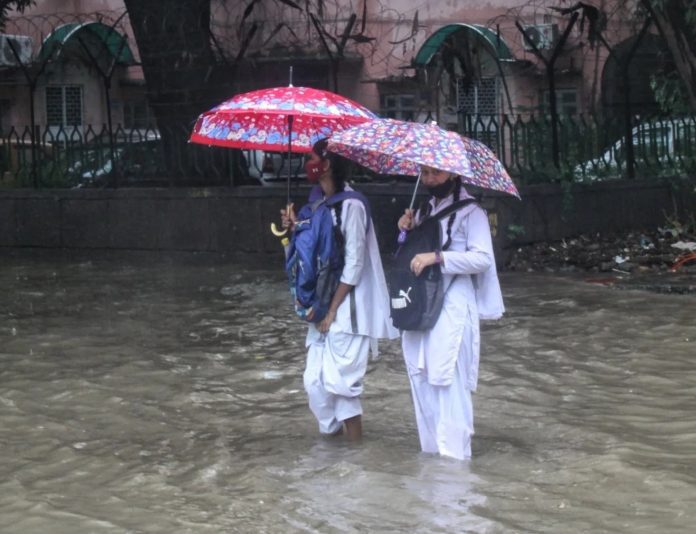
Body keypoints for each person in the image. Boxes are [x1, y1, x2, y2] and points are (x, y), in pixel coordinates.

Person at [281, 138, 398, 441]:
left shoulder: (353, 206)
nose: (306, 163)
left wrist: (331, 311)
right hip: (321, 304)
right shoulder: (315, 203)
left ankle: (355, 458)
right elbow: (309, 255)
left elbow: (355, 265)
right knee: (314, 383)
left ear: (327, 164)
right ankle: (333, 463)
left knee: (340, 384)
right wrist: (295, 229)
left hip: (348, 308)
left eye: (311, 157)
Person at [397, 165, 505, 460]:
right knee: (421, 378)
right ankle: (432, 466)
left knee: (447, 378)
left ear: (454, 174)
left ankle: (456, 469)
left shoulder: (473, 213)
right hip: (421, 304)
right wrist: (405, 231)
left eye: (436, 173)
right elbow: (408, 257)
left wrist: (439, 257)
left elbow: (482, 258)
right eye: (425, 173)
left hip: (453, 303)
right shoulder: (423, 210)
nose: (430, 179)